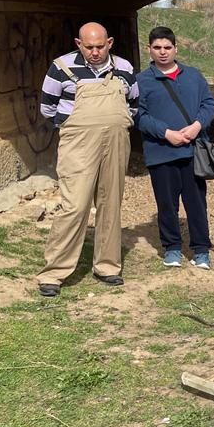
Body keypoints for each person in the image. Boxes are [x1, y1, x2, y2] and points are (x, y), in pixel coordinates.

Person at [35, 22, 139, 296]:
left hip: (116, 142)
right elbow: (47, 107)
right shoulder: (61, 68)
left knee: (110, 202)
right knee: (75, 205)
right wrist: (71, 123)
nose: (95, 52)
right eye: (89, 47)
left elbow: (135, 104)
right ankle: (54, 272)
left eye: (100, 46)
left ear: (110, 43)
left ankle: (107, 266)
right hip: (78, 144)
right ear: (78, 44)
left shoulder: (125, 68)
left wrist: (118, 120)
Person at [136, 26, 214, 268]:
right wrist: (166, 133)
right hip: (161, 153)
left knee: (196, 203)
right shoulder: (141, 81)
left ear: (176, 49)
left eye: (167, 47)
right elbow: (138, 115)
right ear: (148, 49)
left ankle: (201, 249)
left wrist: (196, 126)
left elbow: (209, 104)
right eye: (157, 48)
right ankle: (171, 247)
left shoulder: (193, 76)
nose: (162, 52)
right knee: (166, 204)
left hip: (192, 151)